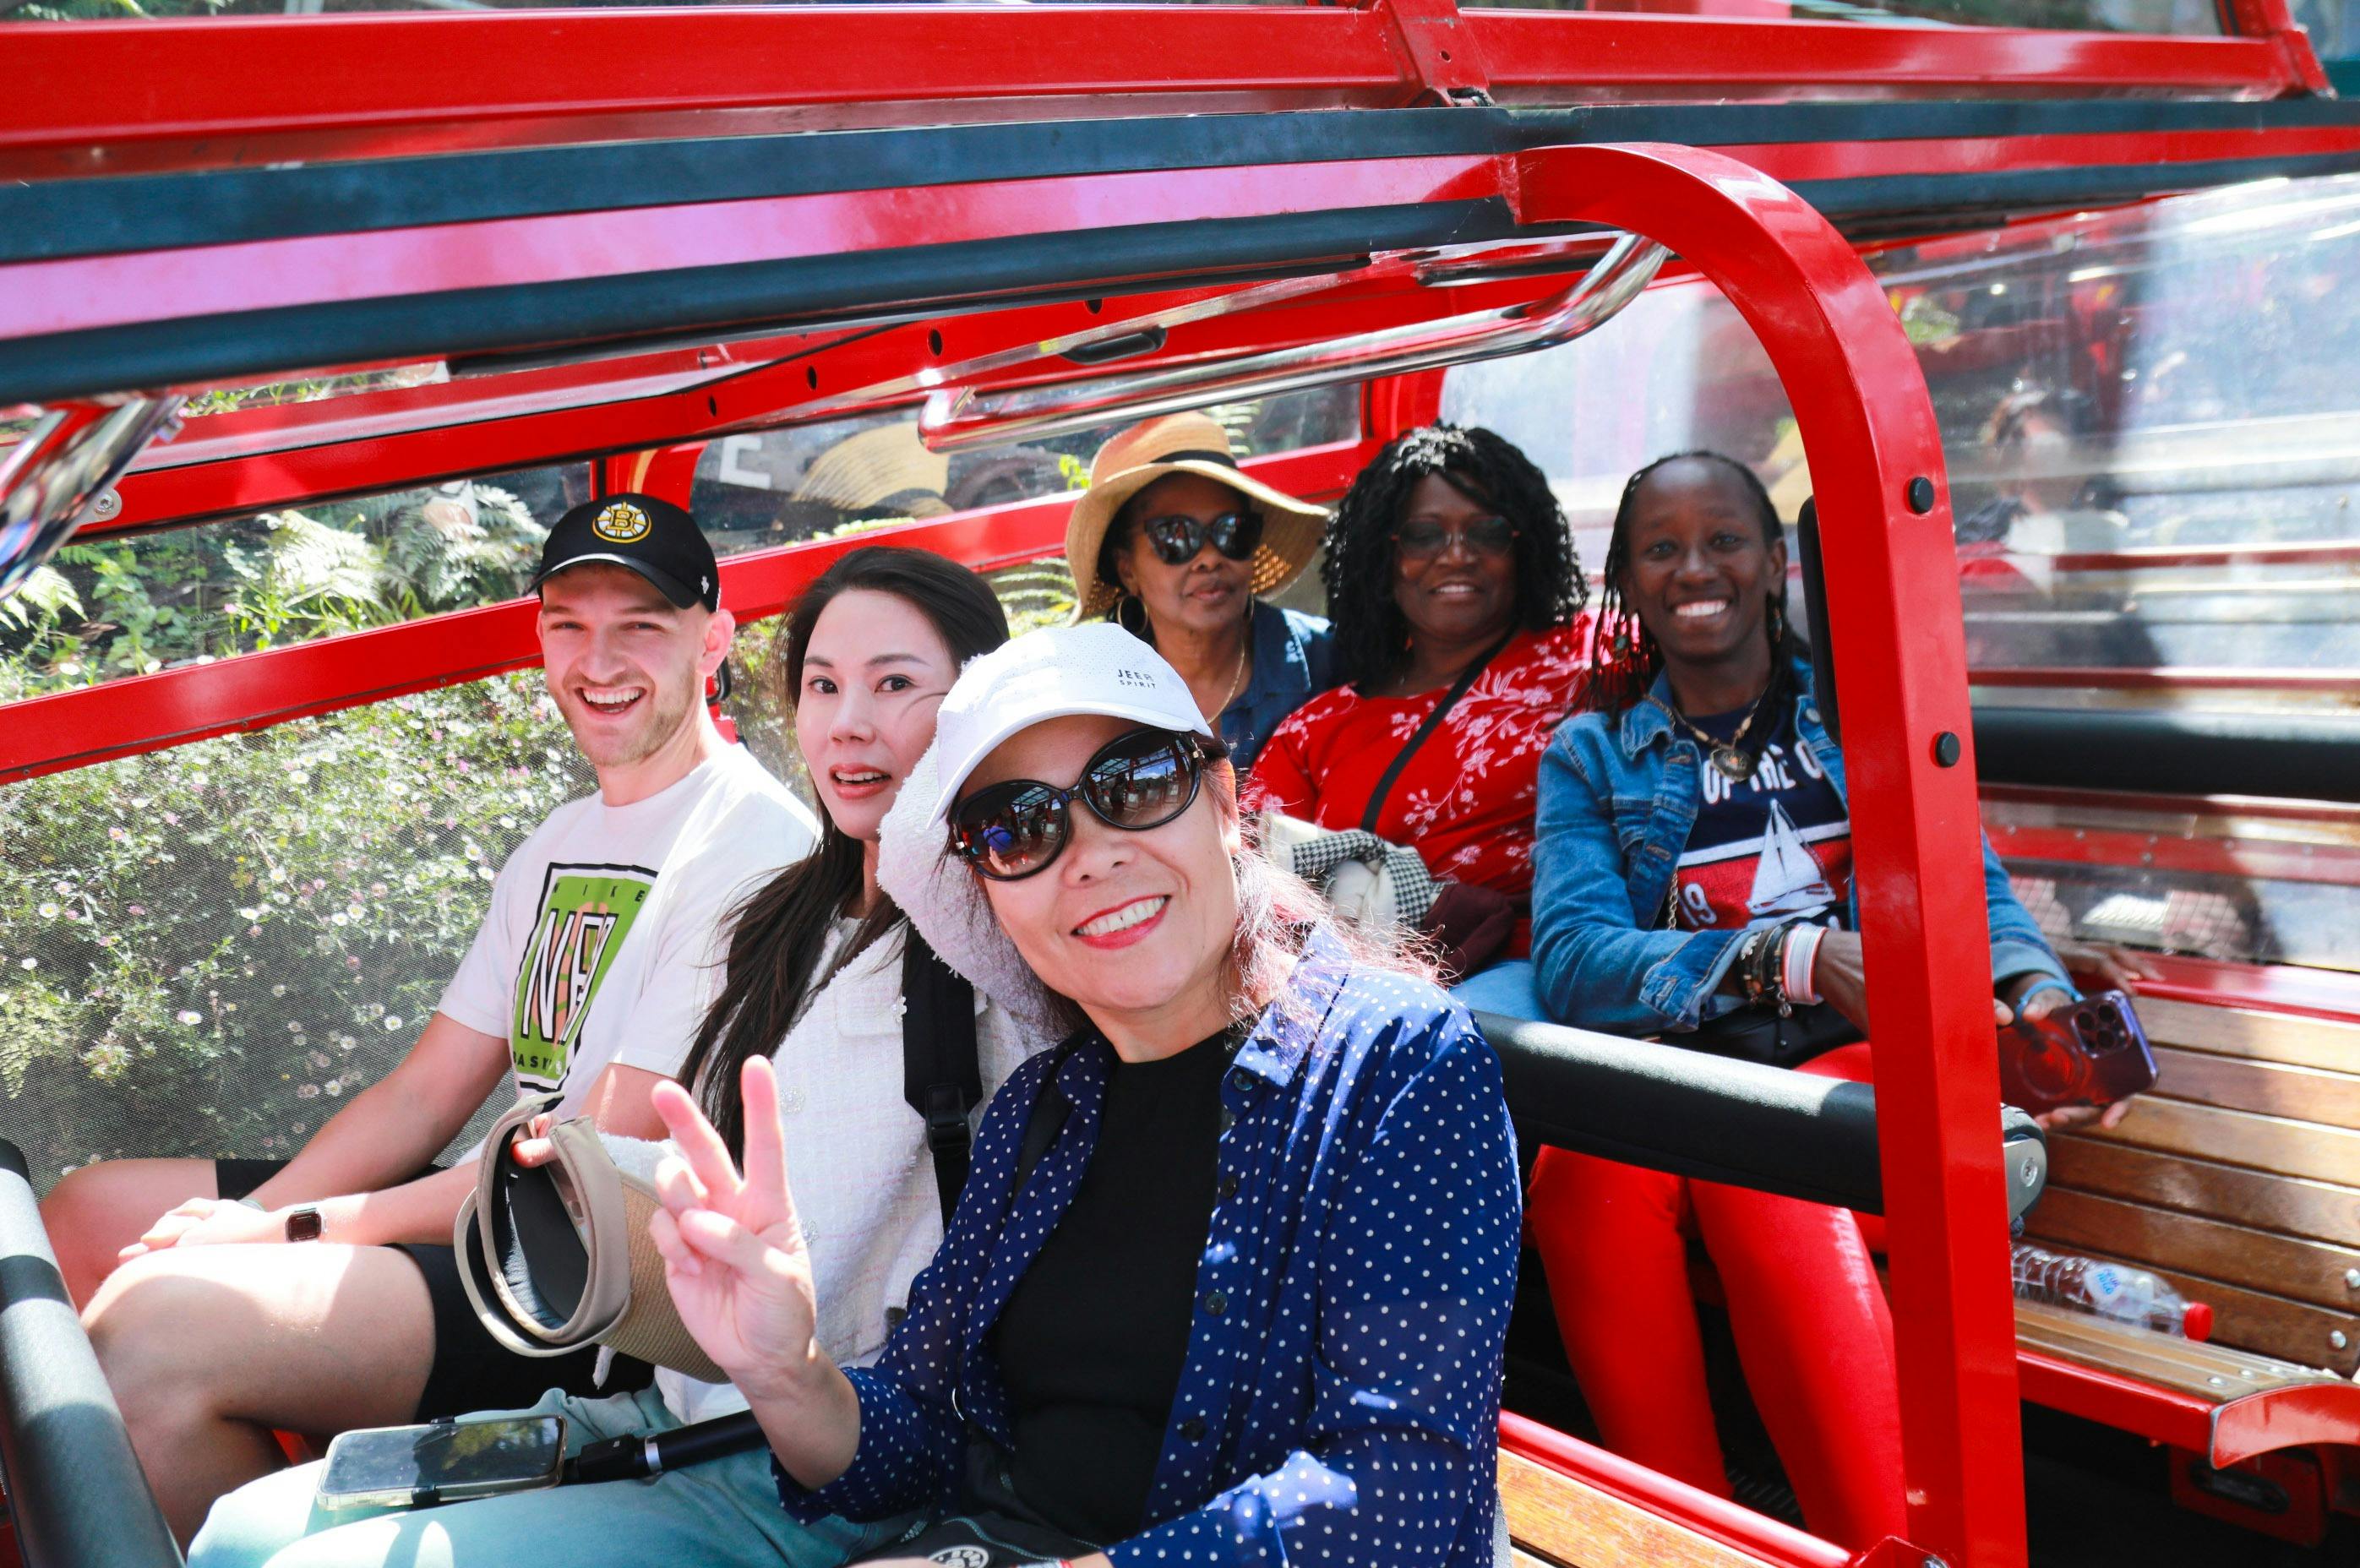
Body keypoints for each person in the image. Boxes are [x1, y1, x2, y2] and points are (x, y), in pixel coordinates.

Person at [564, 624, 1513, 1568]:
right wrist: (784, 1370)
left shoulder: (1396, 1061)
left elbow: (1400, 1497)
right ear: (988, 890)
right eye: (1017, 828)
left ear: (1223, 803)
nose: (1090, 855)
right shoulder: (1042, 1108)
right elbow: (923, 1437)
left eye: (1136, 784)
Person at [188, 547, 1054, 1568]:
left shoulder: (994, 946)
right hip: (665, 1404)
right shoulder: (784, 921)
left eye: (896, 684)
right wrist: (583, 1180)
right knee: (233, 1533)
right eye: (822, 686)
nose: (848, 723)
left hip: (820, 1463)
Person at [74, 494, 822, 1542]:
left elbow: (587, 1164)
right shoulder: (561, 838)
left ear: (714, 640)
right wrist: (264, 1215)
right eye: (569, 624)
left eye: (640, 626)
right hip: (494, 1209)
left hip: (583, 1286)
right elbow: (423, 1092)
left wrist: (288, 1228)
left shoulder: (751, 846)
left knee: (151, 1337)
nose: (599, 660)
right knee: (87, 1214)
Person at [1520, 451, 2112, 1548]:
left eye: (1724, 541)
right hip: (1701, 1064)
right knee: (1581, 1177)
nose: (1695, 568)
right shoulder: (1593, 755)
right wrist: (1785, 957)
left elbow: (1971, 891)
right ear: (1630, 582)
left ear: (1777, 564)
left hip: (1863, 1072)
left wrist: (2035, 993)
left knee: (1769, 1162)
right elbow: (1573, 955)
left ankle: (1898, 1546)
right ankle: (1685, 1538)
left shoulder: (1863, 718)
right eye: (1661, 549)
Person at [1247, 424, 1589, 1008]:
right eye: (1423, 535)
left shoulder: (1592, 659)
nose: (1456, 554)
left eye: (1486, 531)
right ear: (1384, 556)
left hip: (1531, 967)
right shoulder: (1317, 727)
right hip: (1354, 983)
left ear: (1523, 545)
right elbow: (1255, 878)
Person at [1066, 411, 1337, 770]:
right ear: (1127, 568)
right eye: (1175, 536)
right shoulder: (1097, 700)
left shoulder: (1332, 661)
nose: (1209, 558)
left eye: (1231, 531)